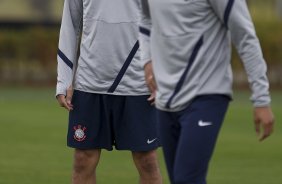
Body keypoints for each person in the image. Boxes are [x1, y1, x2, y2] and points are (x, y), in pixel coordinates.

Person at [139, 0, 275, 183]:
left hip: (207, 92)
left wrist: (261, 99)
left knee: (187, 179)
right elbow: (146, 20)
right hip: (165, 97)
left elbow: (245, 36)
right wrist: (147, 60)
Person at [56, 0, 162, 183]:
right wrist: (64, 80)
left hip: (139, 84)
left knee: (147, 161)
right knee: (83, 160)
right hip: (89, 82)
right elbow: (70, 24)